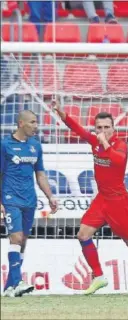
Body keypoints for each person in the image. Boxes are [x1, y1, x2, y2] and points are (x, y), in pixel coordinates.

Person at [52, 99, 128, 296]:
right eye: (99, 127)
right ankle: (99, 276)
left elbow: (118, 162)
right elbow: (78, 130)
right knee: (83, 234)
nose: (103, 131)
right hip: (102, 198)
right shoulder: (94, 141)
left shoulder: (120, 145)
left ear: (113, 128)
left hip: (118, 201)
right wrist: (63, 114)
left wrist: (104, 143)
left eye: (107, 127)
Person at [1, 110, 58, 297]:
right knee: (15, 238)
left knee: (23, 242)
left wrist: (50, 197)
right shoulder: (4, 145)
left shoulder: (35, 146)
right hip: (10, 199)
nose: (36, 126)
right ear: (20, 123)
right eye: (32, 122)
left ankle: (9, 287)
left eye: (37, 122)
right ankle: (18, 282)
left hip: (30, 200)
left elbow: (40, 175)